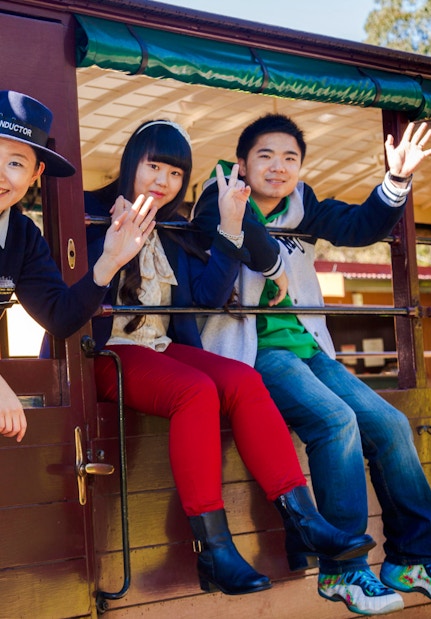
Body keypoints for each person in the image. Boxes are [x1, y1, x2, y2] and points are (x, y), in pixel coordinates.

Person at [84, 119, 375, 598]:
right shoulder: (91, 212)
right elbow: (72, 299)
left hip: (159, 346)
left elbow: (203, 299)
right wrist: (113, 251)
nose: (163, 181)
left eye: (175, 174)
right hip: (105, 351)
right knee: (195, 391)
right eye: (153, 167)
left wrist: (231, 229)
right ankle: (215, 551)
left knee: (241, 378)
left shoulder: (173, 225)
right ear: (130, 162)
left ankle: (304, 519)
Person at [191, 113, 431, 615]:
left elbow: (360, 227)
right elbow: (250, 241)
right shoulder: (221, 192)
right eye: (266, 156)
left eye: (290, 158)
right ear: (242, 163)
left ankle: (413, 559)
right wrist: (275, 268)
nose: (278, 167)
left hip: (309, 347)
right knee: (336, 422)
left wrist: (397, 179)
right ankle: (345, 570)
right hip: (253, 352)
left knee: (391, 423)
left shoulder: (302, 203)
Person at [0, 90, 158, 444]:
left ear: (35, 173)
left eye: (14, 163)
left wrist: (110, 261)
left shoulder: (21, 235)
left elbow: (59, 317)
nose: (0, 174)